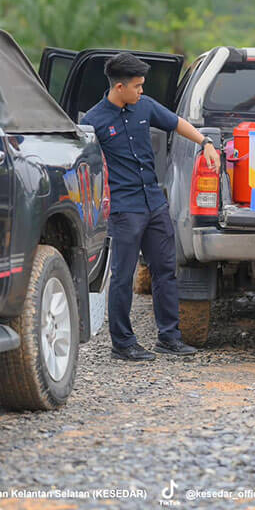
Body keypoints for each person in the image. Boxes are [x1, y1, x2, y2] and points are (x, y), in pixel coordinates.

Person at [83, 53, 221, 361]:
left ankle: (169, 337)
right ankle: (122, 343)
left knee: (165, 271)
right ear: (119, 87)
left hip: (155, 203)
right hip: (124, 209)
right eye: (137, 86)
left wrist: (205, 143)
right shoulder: (93, 121)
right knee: (122, 277)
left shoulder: (144, 106)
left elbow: (177, 123)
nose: (141, 91)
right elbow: (85, 165)